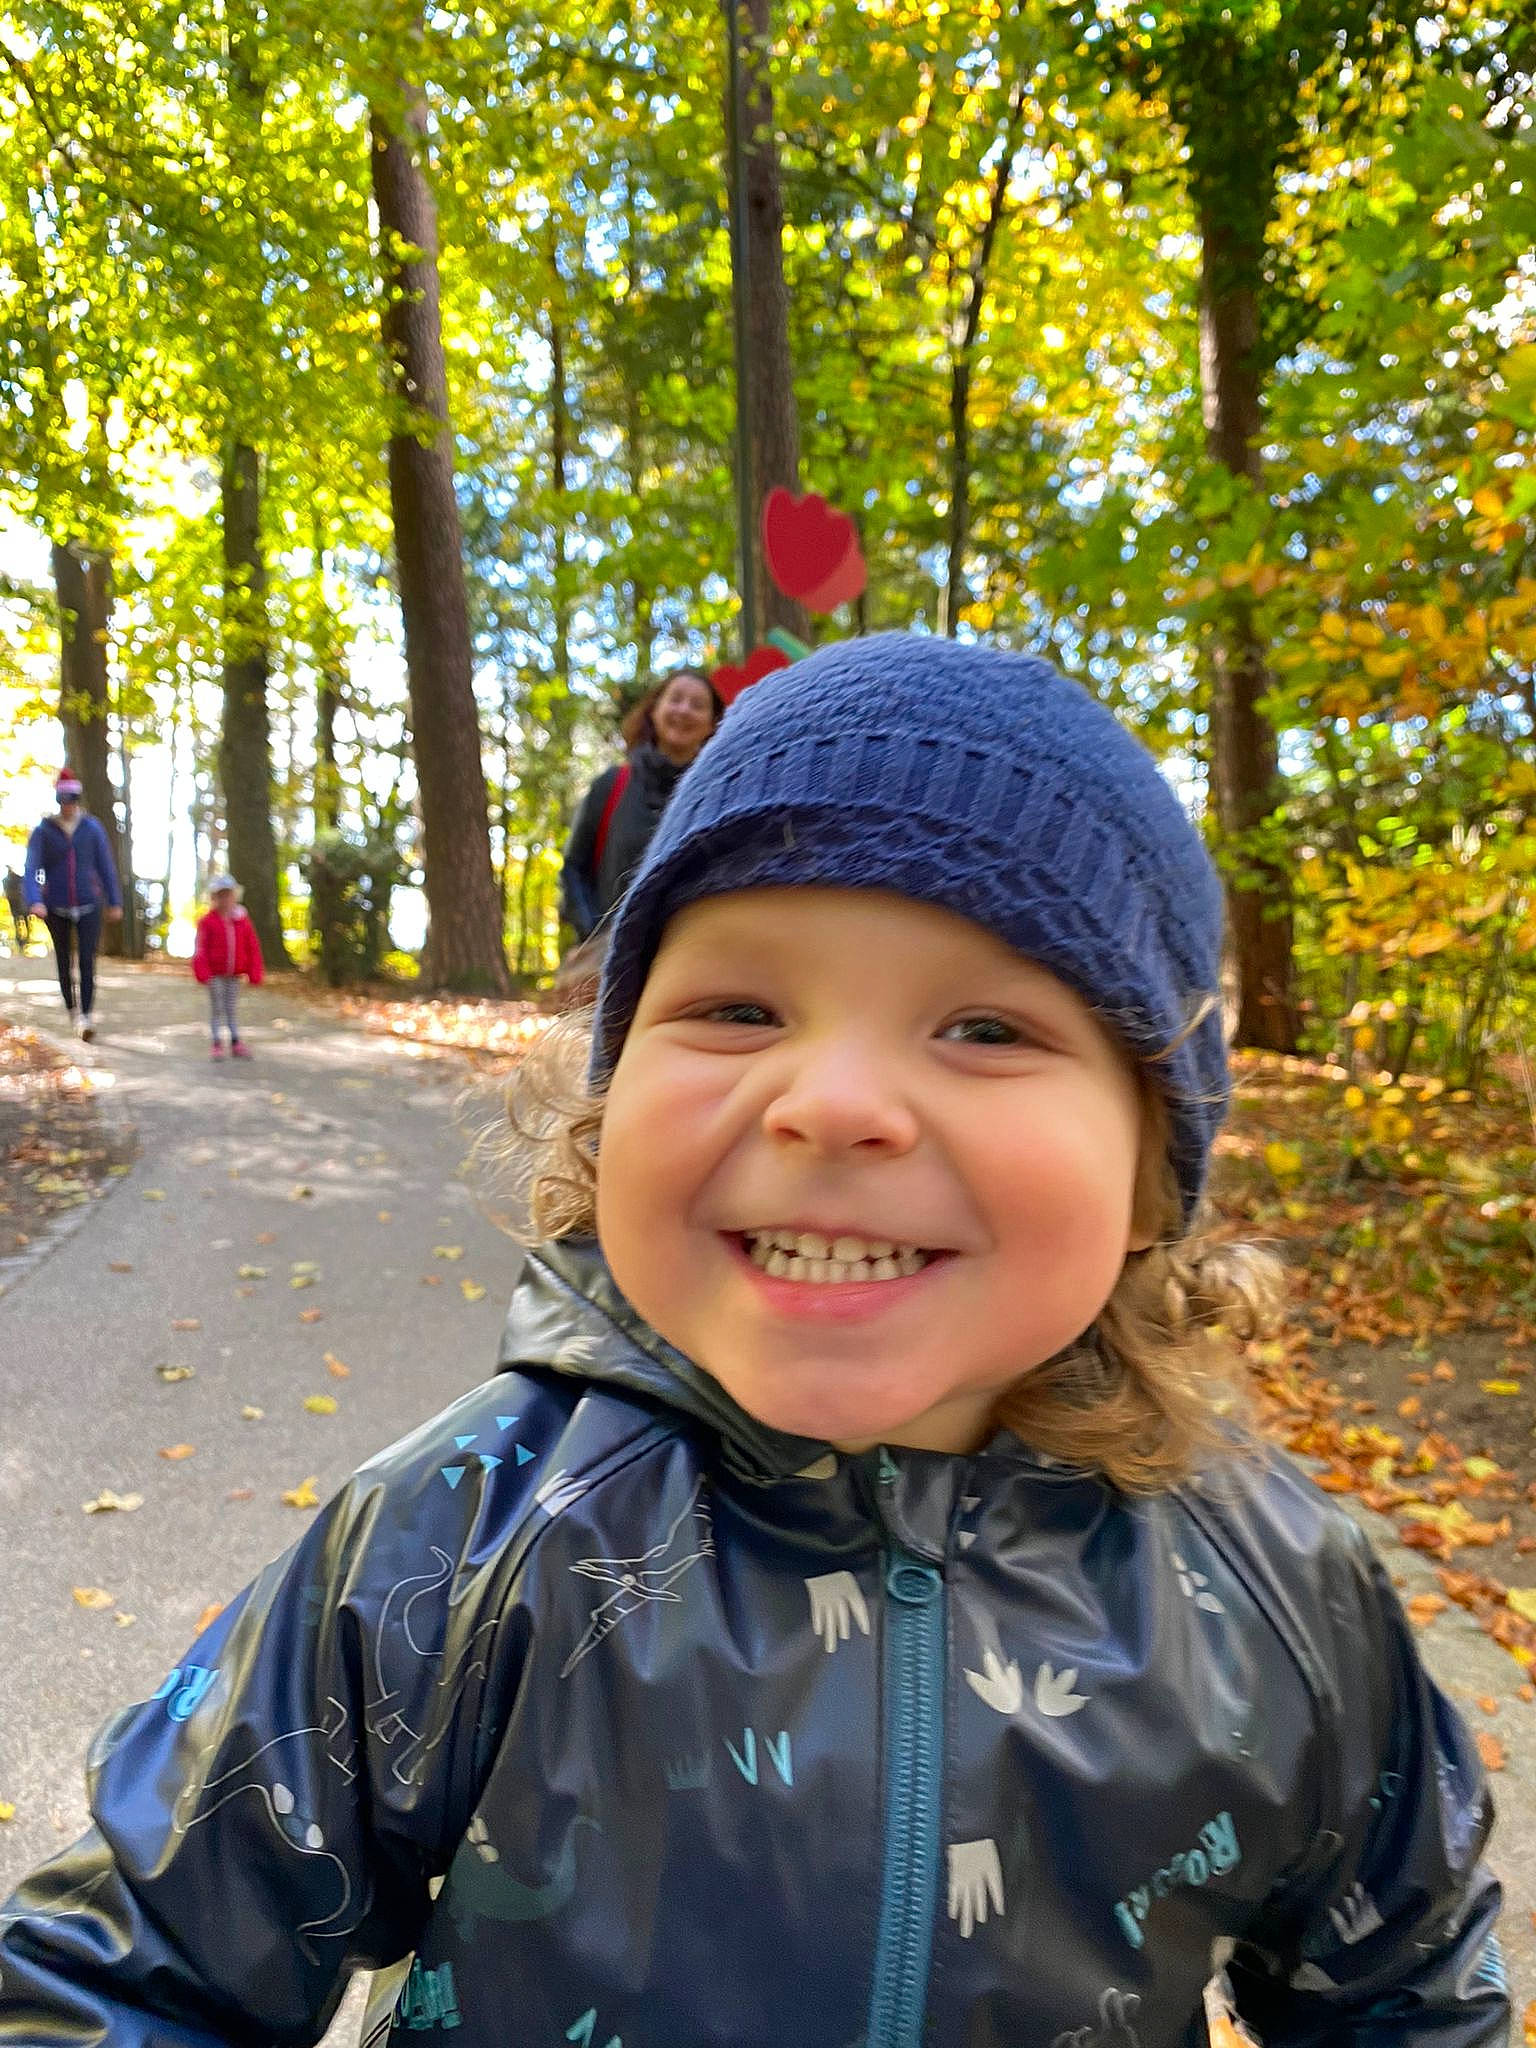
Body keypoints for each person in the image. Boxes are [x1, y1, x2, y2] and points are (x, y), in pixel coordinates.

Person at [0, 634, 1507, 2048]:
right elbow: (118, 1966)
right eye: (736, 1008)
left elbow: (1412, 1996)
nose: (830, 1102)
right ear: (610, 1106)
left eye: (986, 1028)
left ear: (1150, 1177)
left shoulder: (1283, 1600)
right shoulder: (461, 1545)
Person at [558, 665, 723, 947]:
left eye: (697, 705)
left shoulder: (718, 796)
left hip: (692, 957)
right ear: (654, 710)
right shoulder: (612, 785)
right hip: (610, 957)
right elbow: (573, 870)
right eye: (675, 699)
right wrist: (596, 936)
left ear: (712, 724)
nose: (684, 710)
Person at [22, 768, 123, 1041]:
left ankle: (86, 1015)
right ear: (58, 800)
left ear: (78, 799)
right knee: (64, 960)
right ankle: (72, 1009)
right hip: (55, 906)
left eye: (72, 799)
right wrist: (35, 899)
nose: (68, 805)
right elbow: (32, 868)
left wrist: (114, 901)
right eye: (63, 800)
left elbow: (105, 866)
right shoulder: (44, 831)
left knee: (87, 959)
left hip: (89, 903)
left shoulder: (92, 828)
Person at [191, 871, 264, 1060]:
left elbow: (252, 947)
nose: (225, 900)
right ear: (214, 898)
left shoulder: (242, 921)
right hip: (215, 975)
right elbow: (200, 949)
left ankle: (235, 1041)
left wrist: (254, 972)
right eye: (220, 896)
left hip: (234, 975)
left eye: (228, 895)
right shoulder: (207, 922)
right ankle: (216, 1042)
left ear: (234, 896)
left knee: (231, 1008)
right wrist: (203, 972)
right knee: (217, 1008)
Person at [2, 868, 31, 952]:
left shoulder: (6, 881)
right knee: (24, 921)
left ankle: (20, 939)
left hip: (16, 904)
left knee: (18, 922)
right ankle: (24, 938)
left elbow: (7, 894)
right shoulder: (18, 879)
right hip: (20, 903)